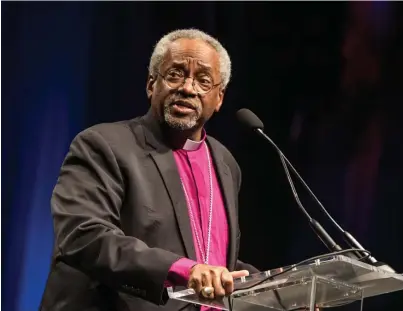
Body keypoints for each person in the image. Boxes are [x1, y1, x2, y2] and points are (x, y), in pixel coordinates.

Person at [39, 28, 259, 311]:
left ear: (219, 99)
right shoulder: (103, 145)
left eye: (203, 81)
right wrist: (185, 270)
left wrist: (277, 290)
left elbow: (211, 257)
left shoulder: (226, 163)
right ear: (151, 84)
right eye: (175, 74)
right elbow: (84, 235)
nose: (188, 88)